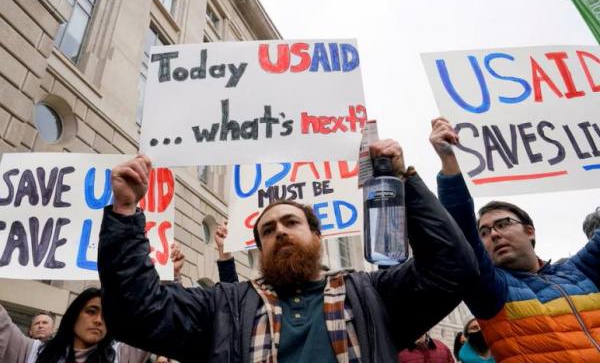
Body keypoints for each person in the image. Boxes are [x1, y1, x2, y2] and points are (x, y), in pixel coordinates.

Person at [98, 139, 478, 362]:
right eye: (268, 230)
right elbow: (138, 313)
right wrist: (125, 213)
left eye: (291, 223)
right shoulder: (225, 306)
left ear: (317, 236)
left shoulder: (370, 294)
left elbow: (453, 267)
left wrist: (403, 180)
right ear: (260, 247)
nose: (279, 231)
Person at [430, 117, 600, 362]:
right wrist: (449, 161)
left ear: (529, 231)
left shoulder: (580, 270)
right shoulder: (492, 290)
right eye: (485, 232)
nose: (494, 234)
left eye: (502, 224)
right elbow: (459, 230)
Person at [0, 287, 149, 363]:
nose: (99, 320)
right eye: (91, 311)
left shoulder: (121, 356)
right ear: (74, 315)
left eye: (106, 316)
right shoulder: (30, 351)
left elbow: (158, 320)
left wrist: (173, 276)